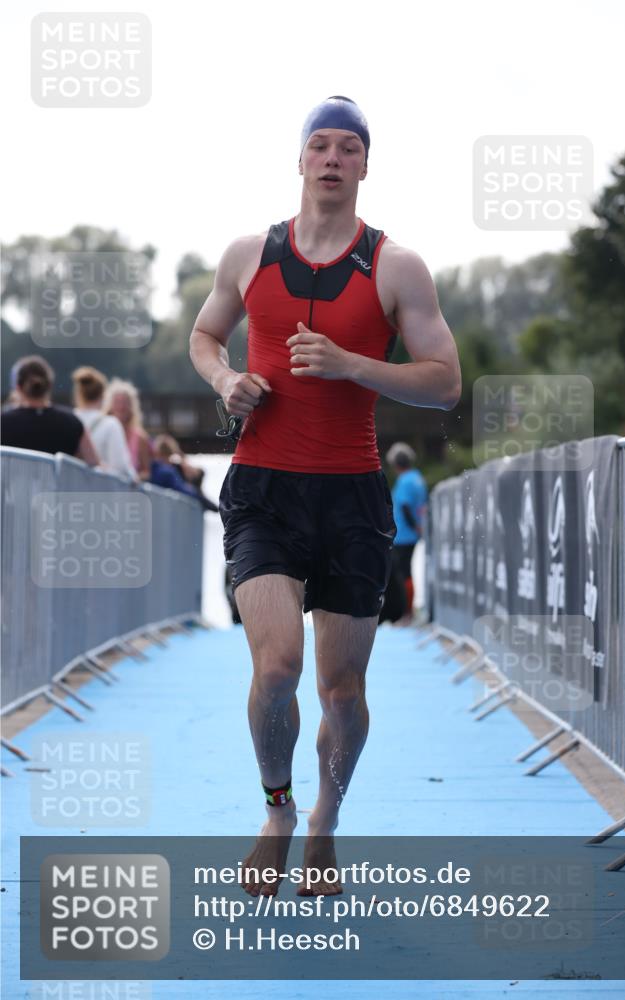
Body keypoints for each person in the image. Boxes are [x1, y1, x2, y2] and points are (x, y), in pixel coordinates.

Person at [189, 95, 461, 897]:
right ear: (301, 160)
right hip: (264, 489)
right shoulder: (250, 253)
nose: (333, 158)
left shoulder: (396, 266)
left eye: (349, 147)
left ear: (365, 165)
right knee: (277, 666)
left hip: (350, 497)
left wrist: (353, 364)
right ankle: (277, 810)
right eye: (321, 145)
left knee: (341, 692)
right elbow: (205, 336)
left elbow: (445, 383)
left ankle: (324, 819)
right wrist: (226, 380)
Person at [1, 355, 99, 465]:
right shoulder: (72, 421)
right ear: (50, 384)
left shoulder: (3, 422)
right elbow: (94, 464)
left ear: (18, 387)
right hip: (62, 483)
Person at [386, 441, 428, 625]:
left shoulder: (404, 481)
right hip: (411, 534)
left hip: (403, 535)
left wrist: (413, 526)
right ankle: (406, 612)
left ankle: (407, 613)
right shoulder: (418, 478)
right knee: (406, 573)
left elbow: (404, 506)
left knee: (403, 574)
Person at [72, 366, 137, 480]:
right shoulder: (111, 424)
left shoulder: (69, 419)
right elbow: (120, 466)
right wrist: (134, 478)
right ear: (103, 395)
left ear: (79, 394)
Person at [105, 378, 153, 480]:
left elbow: (147, 472)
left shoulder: (140, 437)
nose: (121, 407)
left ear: (131, 406)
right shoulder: (103, 432)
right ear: (110, 405)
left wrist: (134, 479)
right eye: (117, 402)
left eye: (124, 402)